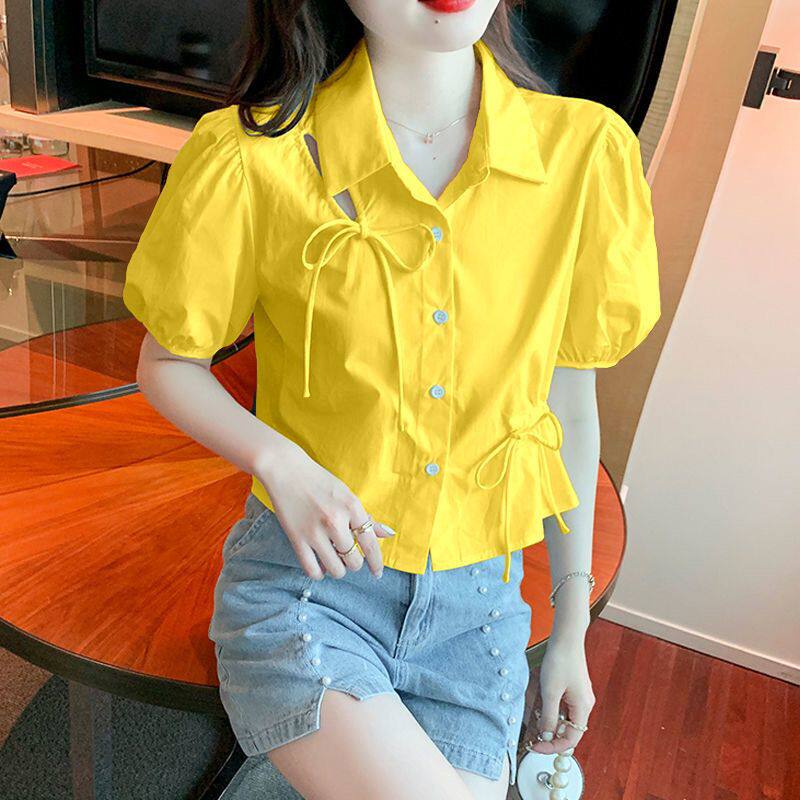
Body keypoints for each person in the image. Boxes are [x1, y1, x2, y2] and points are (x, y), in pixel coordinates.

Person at [122, 1, 661, 798]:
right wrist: (280, 462)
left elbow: (566, 405)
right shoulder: (253, 157)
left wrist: (569, 630)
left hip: (480, 613)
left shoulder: (585, 157)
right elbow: (167, 360)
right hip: (313, 585)